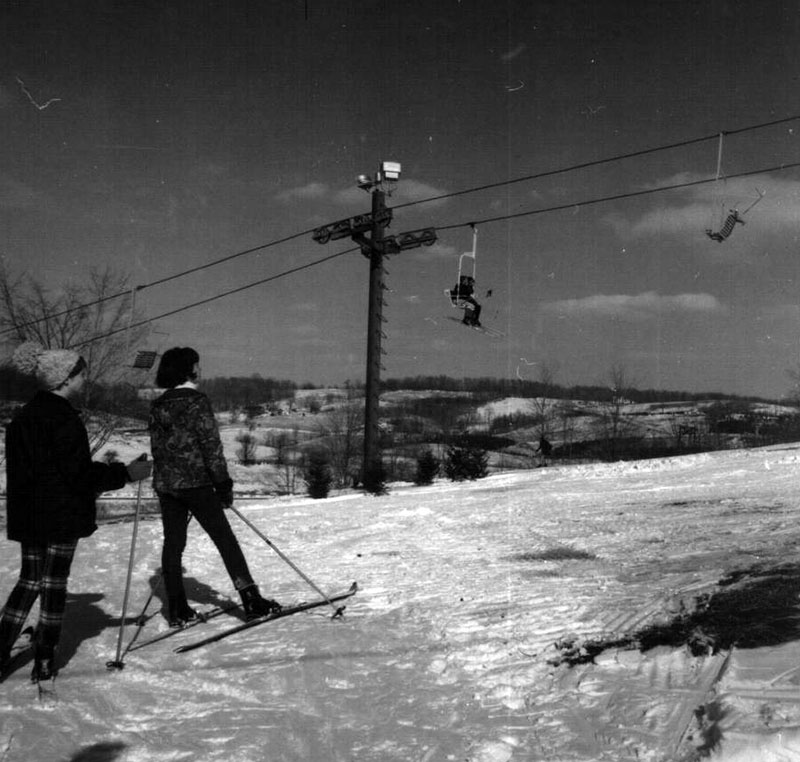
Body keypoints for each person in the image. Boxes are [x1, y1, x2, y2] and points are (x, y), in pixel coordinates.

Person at [0, 342, 152, 682]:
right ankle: (44, 659)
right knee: (53, 585)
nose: (84, 379)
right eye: (81, 374)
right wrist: (125, 473)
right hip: (62, 515)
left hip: (30, 515)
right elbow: (79, 475)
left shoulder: (23, 416)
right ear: (65, 379)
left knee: (29, 582)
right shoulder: (64, 418)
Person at [148, 347, 280, 627]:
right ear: (188, 370)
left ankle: (177, 609)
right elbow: (210, 446)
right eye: (197, 365)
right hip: (196, 484)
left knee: (173, 544)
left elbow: (158, 448)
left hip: (168, 485)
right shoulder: (197, 401)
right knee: (225, 540)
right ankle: (252, 601)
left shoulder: (158, 405)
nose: (200, 370)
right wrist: (223, 484)